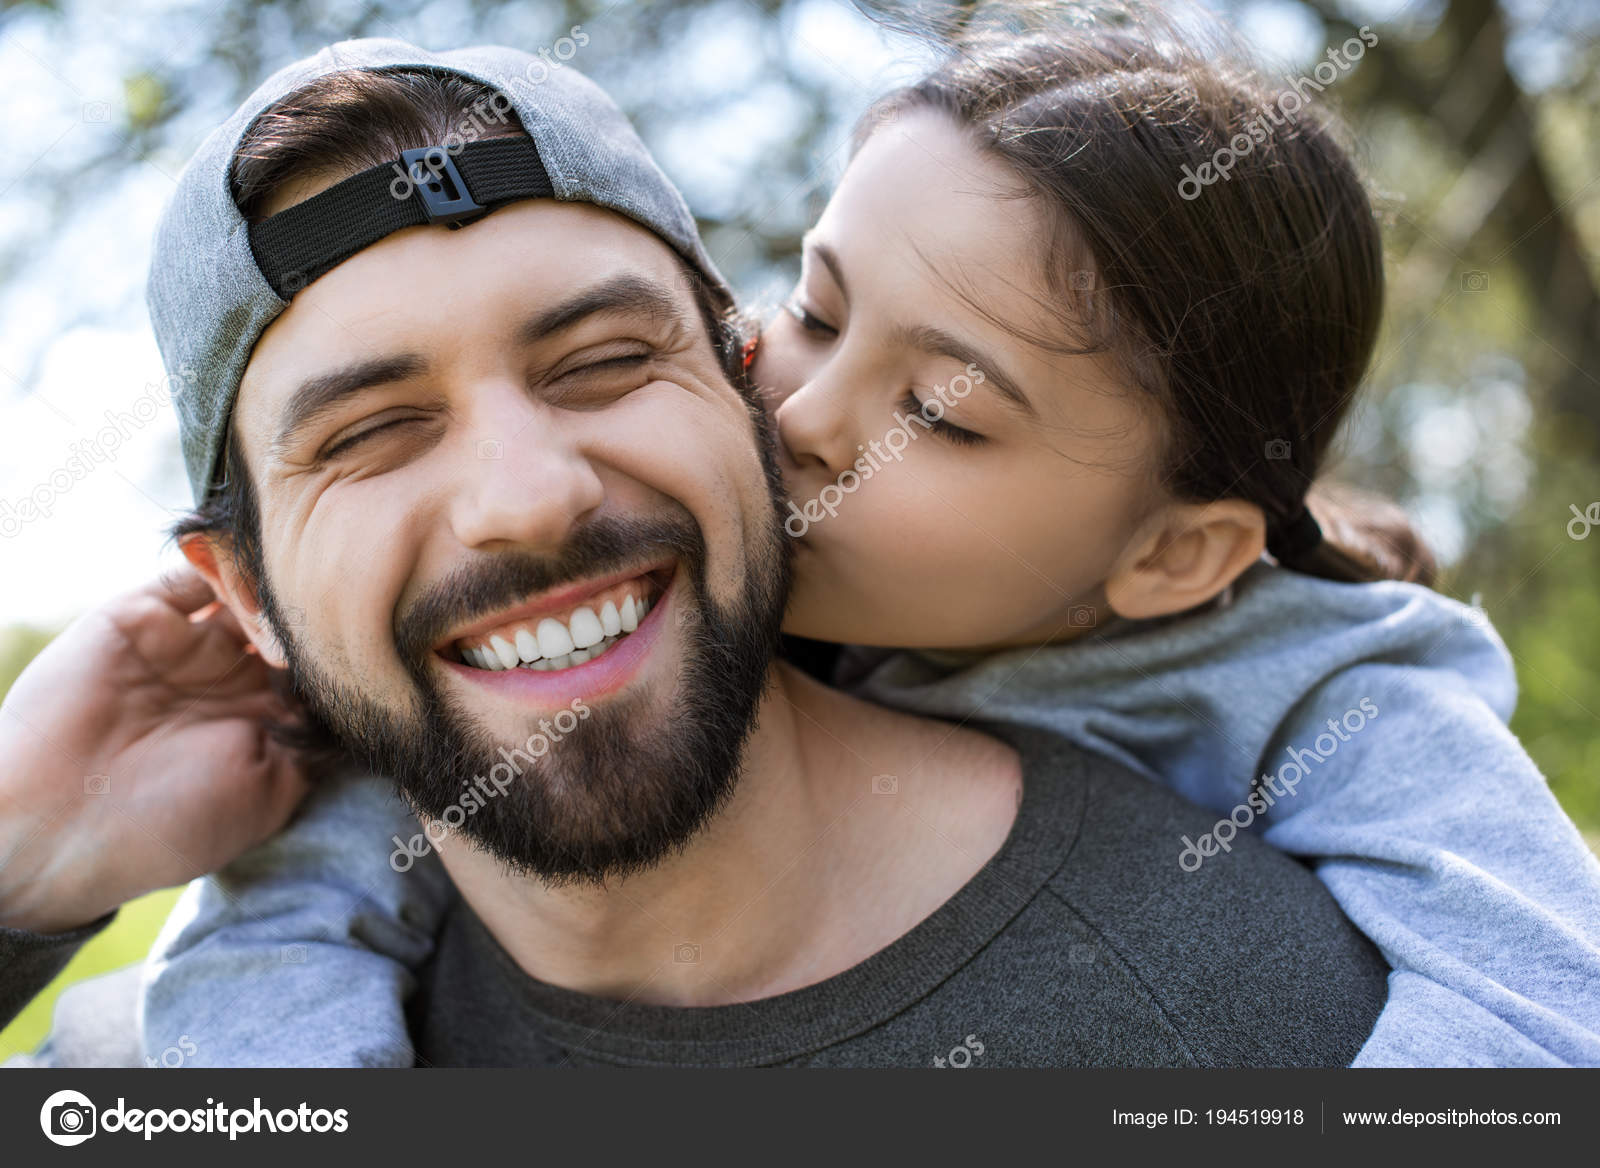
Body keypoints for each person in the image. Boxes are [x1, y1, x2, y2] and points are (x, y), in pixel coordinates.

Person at [126, 8, 1600, 1067]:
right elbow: (291, 911)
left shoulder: (1337, 704)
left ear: (1166, 556)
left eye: (945, 422)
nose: (811, 418)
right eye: (816, 312)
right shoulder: (643, 636)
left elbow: (1547, 1016)